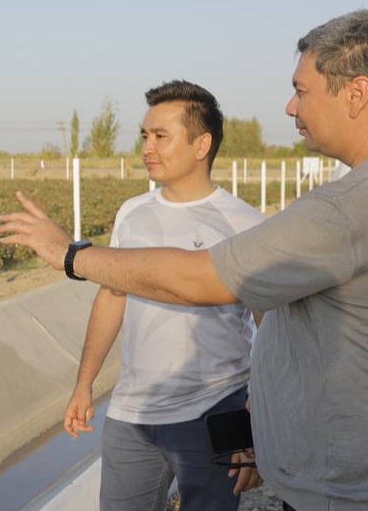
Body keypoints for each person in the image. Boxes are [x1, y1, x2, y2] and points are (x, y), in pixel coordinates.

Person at [0, 9, 368, 511]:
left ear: (357, 94)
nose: (291, 106)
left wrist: (71, 254)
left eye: (302, 90)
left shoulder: (354, 205)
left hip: (362, 493)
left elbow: (198, 279)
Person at [64, 80, 265, 511]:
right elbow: (112, 297)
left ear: (201, 144)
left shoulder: (244, 224)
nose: (147, 148)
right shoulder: (132, 213)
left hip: (215, 408)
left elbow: (272, 330)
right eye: (144, 136)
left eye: (161, 136)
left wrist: (258, 423)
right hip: (131, 416)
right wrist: (84, 385)